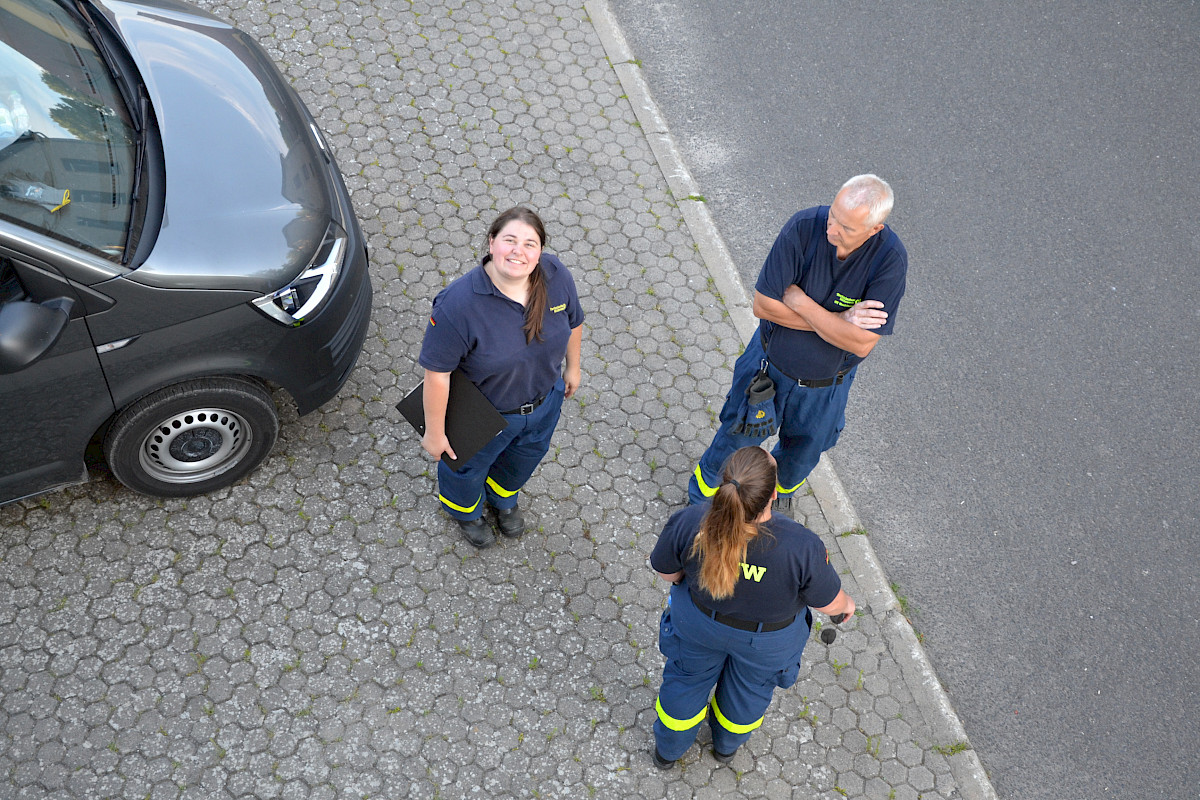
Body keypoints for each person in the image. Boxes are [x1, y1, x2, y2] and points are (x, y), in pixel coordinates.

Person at [688, 174, 907, 508]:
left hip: (825, 390)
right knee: (735, 441)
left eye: (846, 228)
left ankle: (772, 505)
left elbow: (862, 344)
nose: (832, 230)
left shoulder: (889, 260)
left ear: (874, 230)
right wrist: (839, 323)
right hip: (767, 370)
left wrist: (802, 303)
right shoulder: (804, 228)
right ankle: (700, 505)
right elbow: (764, 306)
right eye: (833, 216)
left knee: (801, 457)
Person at [650, 446, 855, 767]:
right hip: (766, 643)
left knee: (686, 682)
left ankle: (668, 752)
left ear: (724, 484)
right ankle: (725, 748)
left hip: (698, 626)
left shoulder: (692, 521)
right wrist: (847, 605)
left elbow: (667, 572)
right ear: (773, 493)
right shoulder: (802, 547)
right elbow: (831, 604)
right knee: (747, 694)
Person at [418, 206, 584, 548]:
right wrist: (434, 434)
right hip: (483, 413)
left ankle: (503, 500)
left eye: (530, 244)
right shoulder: (458, 305)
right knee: (464, 471)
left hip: (544, 403)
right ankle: (465, 512)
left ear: (540, 252)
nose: (518, 252)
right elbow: (437, 375)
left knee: (525, 457)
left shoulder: (555, 275)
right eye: (509, 240)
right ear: (491, 243)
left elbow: (574, 321)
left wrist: (573, 367)